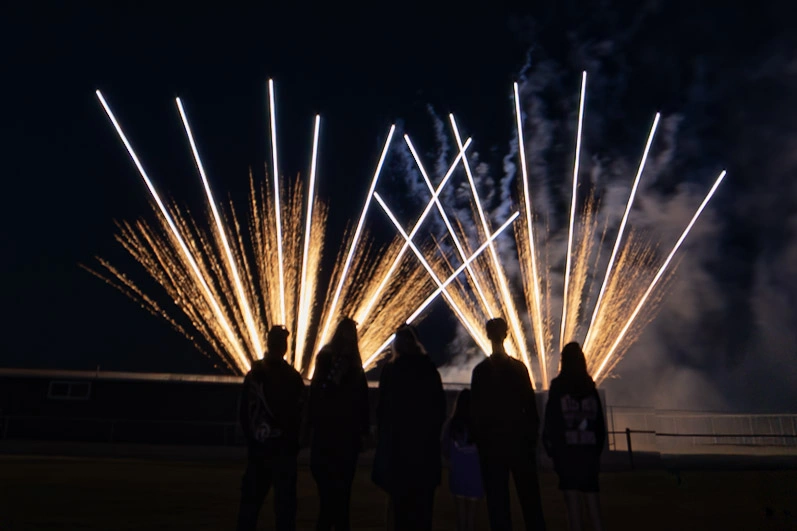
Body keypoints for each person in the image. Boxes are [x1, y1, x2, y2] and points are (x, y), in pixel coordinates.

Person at [471, 317, 546, 531]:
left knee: (498, 505)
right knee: (531, 502)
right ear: (507, 334)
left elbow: (475, 412)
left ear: (487, 335)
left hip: (493, 447)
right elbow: (531, 410)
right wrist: (531, 440)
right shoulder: (519, 369)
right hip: (519, 443)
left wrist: (482, 441)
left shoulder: (481, 371)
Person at [372, 324, 446, 531]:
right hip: (423, 453)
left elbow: (382, 410)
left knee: (400, 511)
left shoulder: (391, 371)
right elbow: (439, 410)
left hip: (399, 453)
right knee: (422, 511)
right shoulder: (429, 370)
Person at [236, 325, 306, 531]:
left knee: (250, 508)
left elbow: (244, 413)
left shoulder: (254, 375)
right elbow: (299, 414)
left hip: (259, 450)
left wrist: (252, 440)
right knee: (284, 510)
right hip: (283, 451)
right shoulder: (292, 377)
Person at [308, 317, 370, 531]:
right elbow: (362, 404)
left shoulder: (327, 361)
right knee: (340, 498)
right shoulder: (353, 367)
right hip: (342, 441)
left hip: (328, 440)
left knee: (331, 499)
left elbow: (315, 397)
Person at [543, 342, 606, 531]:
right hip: (588, 455)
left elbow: (551, 420)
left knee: (572, 508)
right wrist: (596, 452)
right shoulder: (590, 387)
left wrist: (552, 451)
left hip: (567, 454)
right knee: (593, 505)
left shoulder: (558, 387)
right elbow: (599, 425)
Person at [442, 389, 484, 531]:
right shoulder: (479, 426)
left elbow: (445, 448)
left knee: (460, 517)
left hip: (457, 475)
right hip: (476, 476)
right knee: (472, 519)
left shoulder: (451, 425)